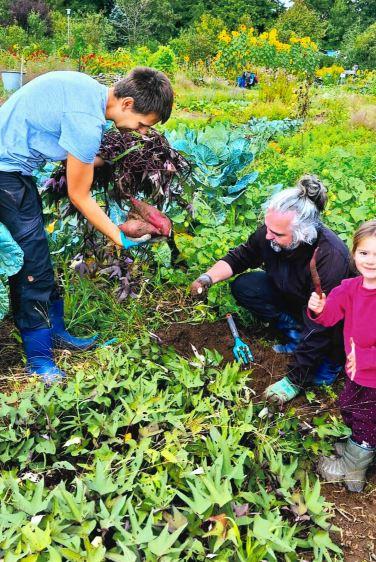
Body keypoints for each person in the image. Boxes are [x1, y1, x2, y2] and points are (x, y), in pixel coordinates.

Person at [0, 67, 173, 383]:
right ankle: (39, 363)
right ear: (127, 104)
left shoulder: (88, 91)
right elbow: (78, 194)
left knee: (36, 256)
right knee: (32, 266)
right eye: (142, 124)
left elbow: (75, 156)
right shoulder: (87, 119)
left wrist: (116, 165)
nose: (141, 132)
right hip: (5, 175)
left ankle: (55, 334)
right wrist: (119, 237)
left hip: (14, 173)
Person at [190, 175, 351, 403]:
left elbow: (322, 325)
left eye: (277, 234)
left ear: (302, 233)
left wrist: (293, 381)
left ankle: (330, 360)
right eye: (268, 228)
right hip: (297, 301)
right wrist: (207, 278)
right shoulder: (272, 231)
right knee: (246, 286)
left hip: (330, 323)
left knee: (320, 379)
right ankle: (295, 333)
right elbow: (242, 256)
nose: (268, 236)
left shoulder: (330, 257)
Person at [308, 220, 376, 492]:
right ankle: (357, 445)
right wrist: (319, 308)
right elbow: (329, 316)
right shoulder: (349, 288)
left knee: (365, 418)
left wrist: (366, 359)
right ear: (354, 253)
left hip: (373, 376)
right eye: (364, 253)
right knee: (350, 406)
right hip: (356, 372)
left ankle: (353, 468)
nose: (371, 261)